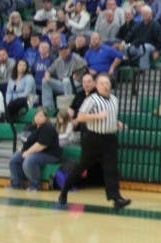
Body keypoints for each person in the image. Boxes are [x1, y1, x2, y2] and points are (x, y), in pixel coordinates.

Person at [57, 73, 131, 210]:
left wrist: (116, 122)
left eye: (107, 83)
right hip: (93, 138)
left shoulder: (114, 99)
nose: (105, 85)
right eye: (102, 83)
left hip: (110, 138)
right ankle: (65, 190)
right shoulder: (92, 99)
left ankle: (116, 198)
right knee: (82, 166)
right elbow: (80, 117)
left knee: (112, 169)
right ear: (96, 86)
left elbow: (110, 116)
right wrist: (97, 116)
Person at [8, 106, 61, 191]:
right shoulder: (32, 127)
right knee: (14, 160)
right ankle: (17, 184)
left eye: (41, 116)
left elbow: (41, 145)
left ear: (46, 118)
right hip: (35, 152)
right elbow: (27, 141)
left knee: (29, 160)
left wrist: (27, 152)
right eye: (36, 115)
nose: (37, 117)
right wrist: (23, 148)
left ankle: (35, 185)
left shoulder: (48, 128)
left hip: (49, 154)